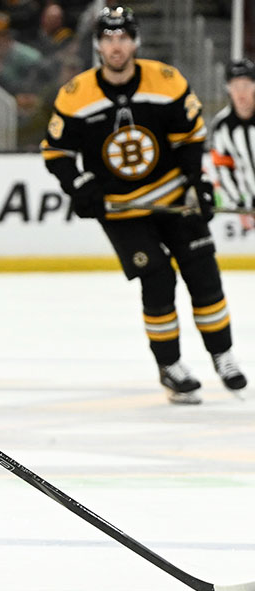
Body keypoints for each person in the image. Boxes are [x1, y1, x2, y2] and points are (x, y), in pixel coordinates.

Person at [41, 6, 246, 403]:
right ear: (98, 44)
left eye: (123, 38)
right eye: (108, 38)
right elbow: (56, 152)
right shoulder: (75, 95)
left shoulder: (167, 82)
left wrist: (197, 184)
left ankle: (223, 355)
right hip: (122, 211)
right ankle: (169, 365)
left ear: (135, 41)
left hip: (173, 198)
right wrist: (80, 186)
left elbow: (190, 139)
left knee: (203, 273)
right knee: (157, 278)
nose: (116, 46)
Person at [209, 58, 255, 235]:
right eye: (235, 86)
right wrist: (240, 207)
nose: (240, 92)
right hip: (248, 207)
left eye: (246, 85)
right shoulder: (222, 126)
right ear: (227, 88)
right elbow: (222, 168)